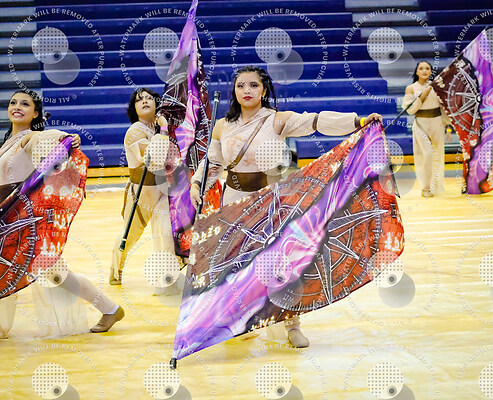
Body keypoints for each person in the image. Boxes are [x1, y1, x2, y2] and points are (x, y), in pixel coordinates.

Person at [189, 65, 382, 348]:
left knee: (279, 262)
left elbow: (316, 121)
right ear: (234, 91)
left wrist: (358, 121)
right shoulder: (222, 125)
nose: (247, 90)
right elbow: (213, 163)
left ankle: (292, 325)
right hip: (232, 200)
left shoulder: (277, 120)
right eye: (241, 85)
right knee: (234, 263)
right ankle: (236, 321)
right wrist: (197, 184)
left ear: (264, 90)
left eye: (254, 85)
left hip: (269, 199)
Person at [0, 90, 124, 337]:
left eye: (25, 104)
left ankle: (111, 309)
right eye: (13, 102)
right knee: (8, 272)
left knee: (56, 274)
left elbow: (48, 138)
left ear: (35, 113)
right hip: (7, 216)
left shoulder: (30, 138)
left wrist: (66, 138)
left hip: (23, 222)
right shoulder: (8, 142)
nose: (17, 106)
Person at [109, 88, 177, 286]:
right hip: (141, 193)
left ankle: (167, 274)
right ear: (134, 108)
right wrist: (164, 129)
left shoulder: (160, 128)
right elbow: (156, 157)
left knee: (166, 232)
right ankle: (116, 268)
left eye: (149, 98)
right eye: (139, 100)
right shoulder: (134, 132)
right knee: (129, 236)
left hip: (163, 190)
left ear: (157, 104)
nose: (145, 101)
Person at [403, 61, 452, 197]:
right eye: (421, 68)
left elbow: (444, 109)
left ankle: (434, 185)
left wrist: (448, 128)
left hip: (437, 123)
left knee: (437, 155)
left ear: (431, 71)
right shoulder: (411, 88)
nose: (424, 71)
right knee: (427, 154)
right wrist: (423, 95)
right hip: (421, 124)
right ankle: (425, 187)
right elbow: (410, 110)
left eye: (427, 68)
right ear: (417, 72)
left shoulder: (437, 86)